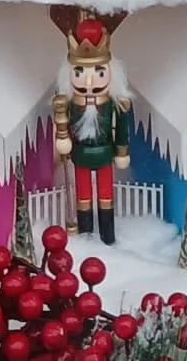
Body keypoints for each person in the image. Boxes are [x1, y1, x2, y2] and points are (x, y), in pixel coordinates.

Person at [52, 14, 130, 242]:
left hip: (104, 154)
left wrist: (121, 151)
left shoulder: (114, 103)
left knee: (106, 197)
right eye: (79, 73)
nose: (88, 83)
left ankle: (107, 236)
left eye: (99, 73)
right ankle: (86, 234)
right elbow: (62, 123)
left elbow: (122, 127)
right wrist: (63, 138)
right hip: (80, 154)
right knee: (83, 197)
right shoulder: (69, 103)